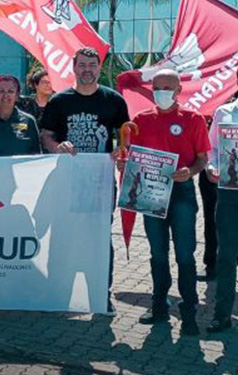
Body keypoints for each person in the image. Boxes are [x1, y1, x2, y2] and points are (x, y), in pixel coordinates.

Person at [115, 69, 209, 336]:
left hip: (181, 193)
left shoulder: (193, 119)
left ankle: (189, 313)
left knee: (184, 255)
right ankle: (159, 307)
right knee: (158, 254)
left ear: (179, 90)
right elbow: (134, 156)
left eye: (168, 88)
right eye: (157, 88)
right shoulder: (140, 120)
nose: (162, 93)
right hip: (151, 194)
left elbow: (202, 158)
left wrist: (190, 172)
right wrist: (125, 163)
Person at [40, 47, 130, 315]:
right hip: (66, 181)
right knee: (63, 237)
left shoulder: (113, 100)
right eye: (83, 65)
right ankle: (60, 294)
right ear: (74, 67)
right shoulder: (59, 101)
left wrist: (122, 151)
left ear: (99, 68)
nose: (87, 69)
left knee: (100, 238)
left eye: (92, 65)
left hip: (100, 183)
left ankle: (101, 293)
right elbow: (46, 136)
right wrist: (57, 147)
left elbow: (125, 137)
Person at [206, 92, 238, 333]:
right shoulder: (223, 113)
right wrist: (212, 165)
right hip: (229, 193)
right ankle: (222, 315)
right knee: (226, 256)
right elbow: (212, 149)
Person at [0, 74, 42, 156]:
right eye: (1, 91)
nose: (6, 95)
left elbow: (36, 154)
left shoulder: (29, 121)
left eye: (11, 91)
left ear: (17, 96)